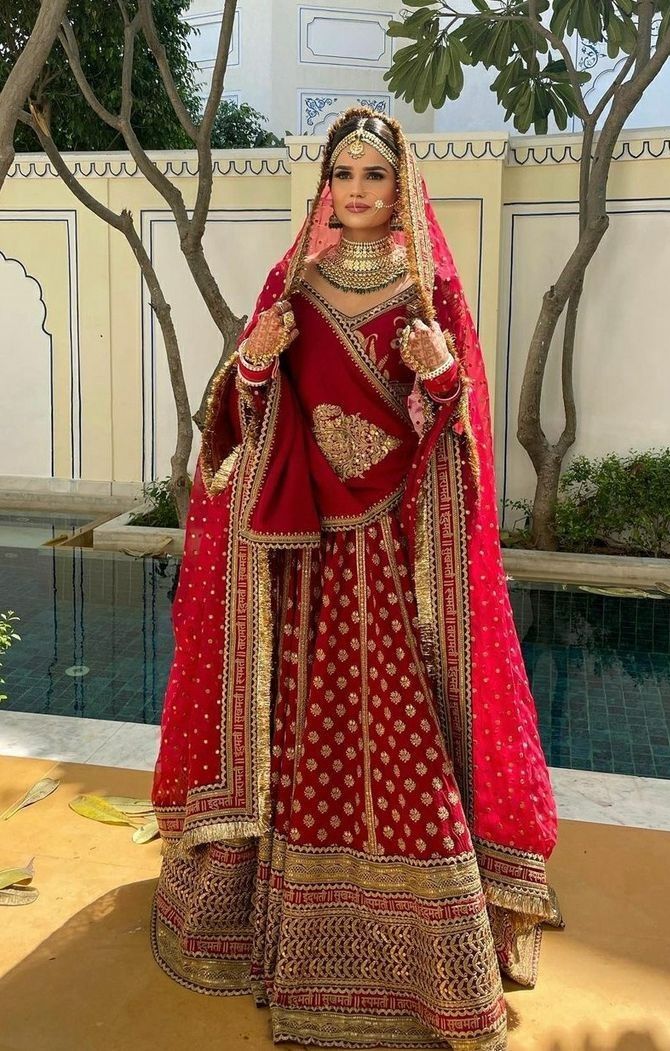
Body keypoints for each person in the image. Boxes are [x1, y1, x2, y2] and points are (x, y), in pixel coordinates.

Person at [149, 106, 563, 1051]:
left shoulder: (426, 290)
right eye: (344, 174)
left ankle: (432, 944)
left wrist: (444, 374)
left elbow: (449, 424)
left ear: (401, 183)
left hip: (388, 555)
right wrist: (254, 368)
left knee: (399, 733)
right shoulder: (293, 280)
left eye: (375, 175)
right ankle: (276, 921)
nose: (359, 191)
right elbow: (253, 408)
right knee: (291, 734)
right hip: (304, 554)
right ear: (326, 187)